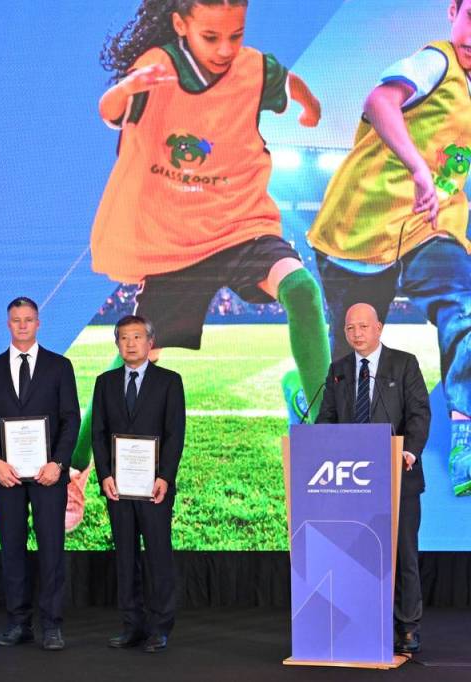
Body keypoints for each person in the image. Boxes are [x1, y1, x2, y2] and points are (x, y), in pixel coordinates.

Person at [68, 0, 331, 508]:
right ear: (181, 25)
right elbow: (109, 111)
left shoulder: (253, 69)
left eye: (236, 35)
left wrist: (310, 106)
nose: (225, 49)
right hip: (178, 243)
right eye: (211, 37)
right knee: (135, 357)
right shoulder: (160, 68)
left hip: (241, 224)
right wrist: (130, 87)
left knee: (301, 289)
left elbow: (288, 81)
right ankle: (74, 473)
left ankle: (324, 430)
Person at [308, 0, 471, 497]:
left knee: (464, 306)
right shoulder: (436, 61)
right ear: (453, 10)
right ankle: (328, 424)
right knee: (355, 354)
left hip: (429, 227)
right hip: (360, 229)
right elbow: (380, 101)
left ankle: (465, 431)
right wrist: (418, 168)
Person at [316, 303, 430, 654]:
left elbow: (419, 413)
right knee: (357, 555)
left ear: (379, 328)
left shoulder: (404, 363)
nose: (357, 333)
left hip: (399, 476)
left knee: (403, 555)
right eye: (350, 328)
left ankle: (407, 627)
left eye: (363, 326)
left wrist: (409, 451)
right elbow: (326, 418)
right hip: (352, 483)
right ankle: (363, 623)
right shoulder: (338, 370)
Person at [0, 297, 80, 651]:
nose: (22, 325)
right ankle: (18, 623)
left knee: (51, 549)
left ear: (38, 323)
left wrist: (58, 463)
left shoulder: (59, 366)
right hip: (7, 477)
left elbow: (71, 419)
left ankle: (51, 625)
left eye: (28, 319)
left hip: (48, 475)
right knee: (12, 550)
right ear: (8, 324)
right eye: (16, 320)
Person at [91, 315, 185, 653]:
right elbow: (98, 433)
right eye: (124, 338)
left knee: (158, 556)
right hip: (118, 488)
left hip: (154, 488)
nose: (130, 344)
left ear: (150, 341)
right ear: (117, 343)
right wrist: (104, 475)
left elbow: (175, 434)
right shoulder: (105, 383)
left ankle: (160, 628)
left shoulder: (169, 381)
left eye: (137, 337)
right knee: (125, 557)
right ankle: (132, 625)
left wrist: (165, 477)